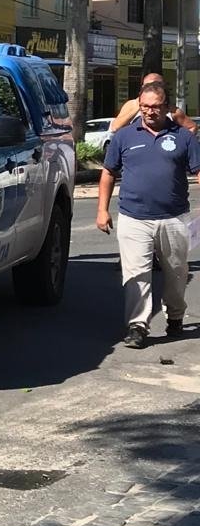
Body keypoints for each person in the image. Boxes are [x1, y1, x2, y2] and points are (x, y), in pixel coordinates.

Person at [97, 78, 200, 348]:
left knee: (176, 272)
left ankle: (175, 315)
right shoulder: (124, 137)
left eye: (154, 107)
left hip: (174, 218)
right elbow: (108, 173)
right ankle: (137, 326)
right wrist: (101, 210)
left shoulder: (183, 137)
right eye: (144, 106)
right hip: (134, 217)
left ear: (165, 106)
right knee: (136, 274)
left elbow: (199, 171)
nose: (149, 111)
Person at [109, 74, 197, 134]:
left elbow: (192, 127)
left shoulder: (171, 110)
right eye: (148, 85)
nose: (152, 88)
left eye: (157, 85)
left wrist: (180, 145)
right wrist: (137, 108)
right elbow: (115, 128)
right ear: (142, 87)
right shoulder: (132, 104)